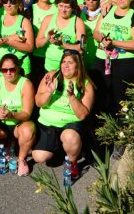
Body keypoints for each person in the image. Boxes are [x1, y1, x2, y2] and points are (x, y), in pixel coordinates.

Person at [32, 51, 95, 181]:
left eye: (70, 62)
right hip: (48, 124)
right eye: (63, 62)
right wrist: (49, 92)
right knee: (39, 157)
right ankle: (62, 150)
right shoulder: (52, 76)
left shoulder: (85, 84)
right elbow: (38, 102)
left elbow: (83, 114)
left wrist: (72, 96)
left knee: (69, 137)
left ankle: (72, 163)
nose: (65, 66)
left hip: (70, 125)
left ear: (78, 66)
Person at [93, 0, 134, 116]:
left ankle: (122, 131)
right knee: (101, 97)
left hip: (123, 62)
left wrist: (113, 43)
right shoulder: (106, 11)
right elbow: (96, 32)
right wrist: (102, 39)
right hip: (102, 59)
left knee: (121, 100)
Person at [0, 55, 36, 176]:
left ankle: (22, 159)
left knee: (27, 131)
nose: (9, 73)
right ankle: (8, 142)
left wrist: (12, 114)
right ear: (1, 70)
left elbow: (26, 114)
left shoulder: (26, 84)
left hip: (19, 123)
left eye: (12, 69)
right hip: (3, 124)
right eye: (5, 70)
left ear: (18, 68)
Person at [37, 0, 86, 72]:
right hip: (50, 66)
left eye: (67, 7)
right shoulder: (48, 19)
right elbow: (38, 44)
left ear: (73, 7)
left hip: (70, 68)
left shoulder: (77, 22)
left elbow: (81, 48)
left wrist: (61, 44)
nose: (63, 10)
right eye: (61, 6)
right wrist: (47, 38)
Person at [0, 0, 34, 77]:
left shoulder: (24, 21)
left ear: (19, 2)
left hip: (19, 66)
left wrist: (9, 42)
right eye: (5, 1)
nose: (8, 5)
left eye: (12, 2)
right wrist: (2, 42)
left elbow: (30, 47)